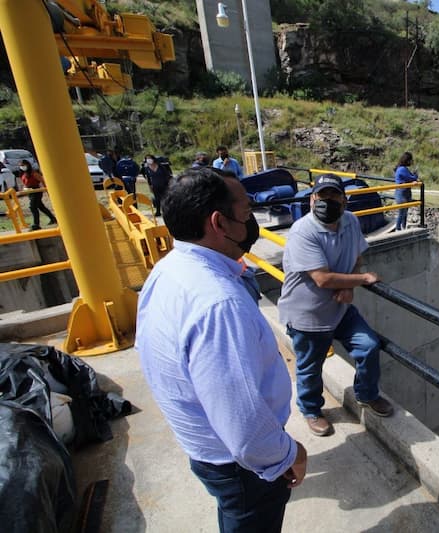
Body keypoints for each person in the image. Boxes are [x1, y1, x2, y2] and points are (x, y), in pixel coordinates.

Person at [136, 168, 307, 532]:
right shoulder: (218, 303)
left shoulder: (167, 270)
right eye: (246, 214)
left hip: (207, 449)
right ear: (220, 223)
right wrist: (288, 454)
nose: (251, 222)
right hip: (238, 465)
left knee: (234, 516)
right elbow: (245, 430)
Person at [278, 173, 394, 437]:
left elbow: (357, 257)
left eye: (334, 196)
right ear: (312, 200)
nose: (327, 201)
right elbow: (321, 278)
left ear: (344, 200)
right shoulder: (303, 231)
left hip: (339, 308)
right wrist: (362, 280)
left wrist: (349, 285)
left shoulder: (350, 222)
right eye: (322, 196)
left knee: (368, 346)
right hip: (308, 314)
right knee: (311, 367)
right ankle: (311, 410)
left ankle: (366, 394)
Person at [18, 160, 56, 231]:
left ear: (27, 165)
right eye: (20, 166)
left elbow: (42, 180)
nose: (22, 167)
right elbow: (25, 183)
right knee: (40, 206)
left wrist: (46, 189)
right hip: (29, 191)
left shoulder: (33, 173)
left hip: (36, 191)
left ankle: (36, 224)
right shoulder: (23, 174)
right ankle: (53, 219)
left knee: (33, 207)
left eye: (23, 165)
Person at [393, 152, 419, 231]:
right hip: (402, 194)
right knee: (402, 213)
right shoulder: (402, 169)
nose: (412, 162)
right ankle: (398, 228)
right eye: (411, 160)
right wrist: (416, 175)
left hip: (403, 193)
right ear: (407, 160)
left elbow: (408, 178)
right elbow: (412, 178)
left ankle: (403, 227)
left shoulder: (402, 168)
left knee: (404, 213)